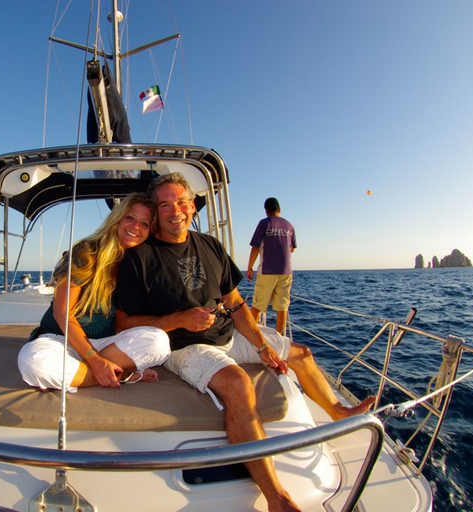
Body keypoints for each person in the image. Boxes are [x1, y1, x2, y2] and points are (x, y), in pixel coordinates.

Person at [114, 173, 375, 512]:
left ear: (192, 207)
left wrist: (263, 345)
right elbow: (124, 323)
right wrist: (178, 319)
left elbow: (235, 303)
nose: (174, 210)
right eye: (164, 204)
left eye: (180, 202)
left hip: (228, 332)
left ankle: (338, 412)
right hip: (183, 346)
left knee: (302, 354)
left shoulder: (209, 245)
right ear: (157, 210)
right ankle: (276, 498)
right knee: (238, 385)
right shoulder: (140, 258)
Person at [18, 193, 171, 391]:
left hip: (105, 345)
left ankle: (77, 375)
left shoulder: (138, 266)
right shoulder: (86, 252)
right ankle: (122, 375)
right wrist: (95, 361)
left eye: (145, 224)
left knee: (158, 342)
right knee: (33, 362)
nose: (135, 227)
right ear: (117, 219)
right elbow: (62, 313)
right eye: (130, 218)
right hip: (61, 339)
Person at [247, 197, 297, 335]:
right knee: (282, 307)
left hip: (267, 271)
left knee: (257, 305)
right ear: (279, 210)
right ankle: (280, 337)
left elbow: (256, 247)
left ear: (266, 211)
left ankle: (251, 336)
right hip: (286, 272)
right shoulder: (289, 226)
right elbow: (292, 248)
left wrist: (250, 267)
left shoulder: (264, 223)